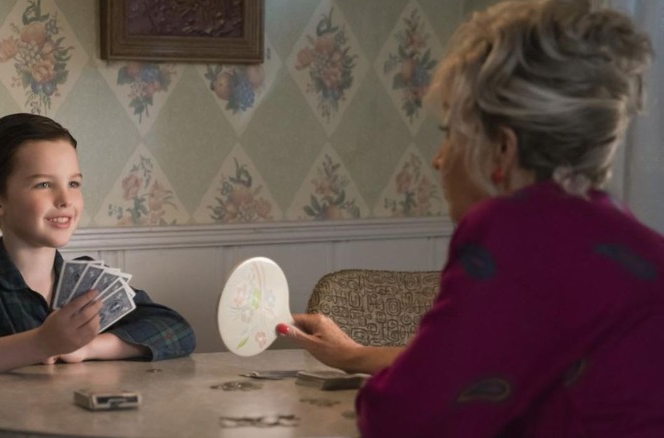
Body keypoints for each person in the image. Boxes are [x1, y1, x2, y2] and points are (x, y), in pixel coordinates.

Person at [277, 0, 664, 436]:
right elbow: (488, 366)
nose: (440, 160)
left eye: (451, 135)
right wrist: (354, 355)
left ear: (502, 149)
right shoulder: (631, 241)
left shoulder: (514, 231)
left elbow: (400, 418)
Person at [0, 113, 196, 385]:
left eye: (73, 183)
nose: (65, 199)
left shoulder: (90, 285)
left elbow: (177, 331)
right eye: (44, 184)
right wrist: (41, 343)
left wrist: (87, 348)